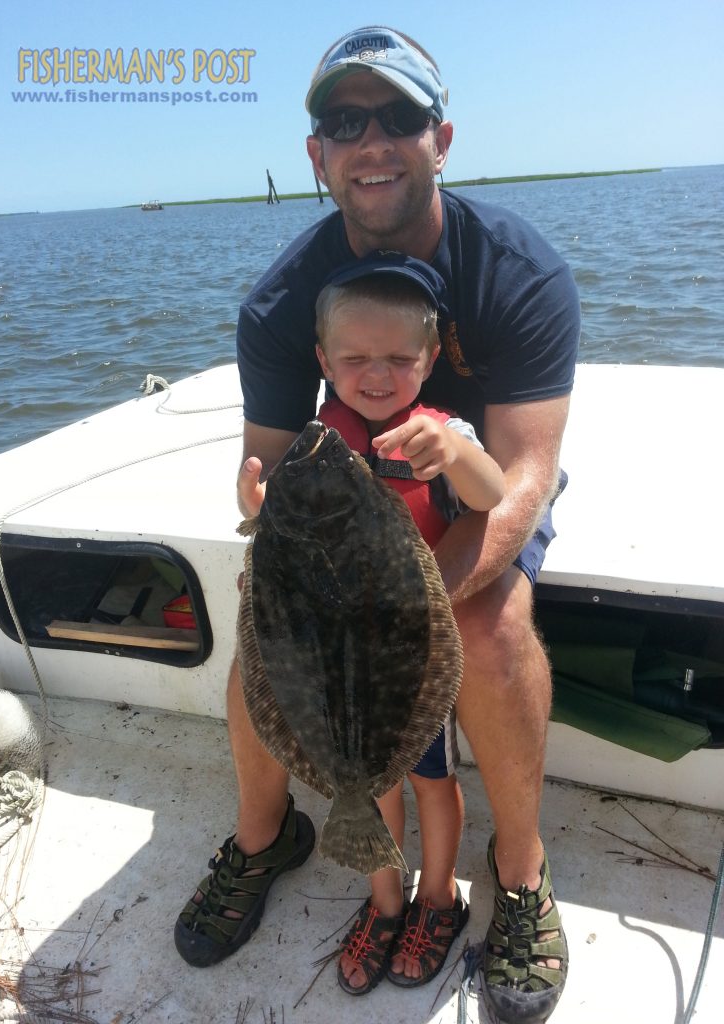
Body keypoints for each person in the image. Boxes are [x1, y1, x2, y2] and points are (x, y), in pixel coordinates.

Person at [175, 25, 579, 1024]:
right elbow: (262, 468)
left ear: (440, 138)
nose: (373, 140)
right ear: (317, 154)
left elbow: (527, 472)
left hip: (474, 493)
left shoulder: (519, 273)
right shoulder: (281, 301)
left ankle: (518, 874)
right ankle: (265, 837)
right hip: (342, 516)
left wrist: (407, 610)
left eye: (398, 117)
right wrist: (260, 524)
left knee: (490, 633)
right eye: (344, 121)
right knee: (262, 645)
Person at [314, 252, 504, 993]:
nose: (378, 375)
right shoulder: (319, 442)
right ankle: (384, 901)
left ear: (429, 360)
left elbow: (491, 493)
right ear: (325, 361)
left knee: (430, 783)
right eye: (356, 357)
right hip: (345, 664)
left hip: (414, 664)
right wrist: (257, 505)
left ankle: (436, 898)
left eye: (399, 357)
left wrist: (454, 452)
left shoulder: (440, 431)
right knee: (370, 788)